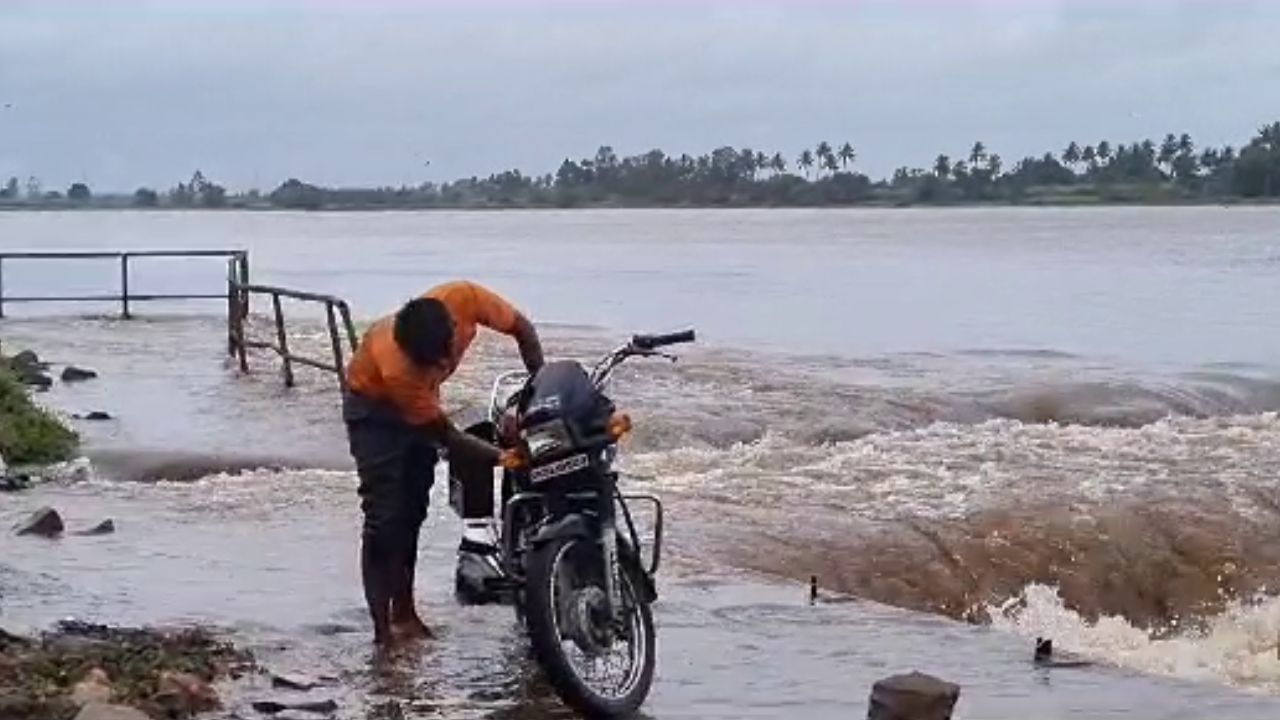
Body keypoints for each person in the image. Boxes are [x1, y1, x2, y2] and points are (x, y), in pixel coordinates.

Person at [343, 280, 543, 647]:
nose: (444, 365)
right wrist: (501, 457)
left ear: (454, 326)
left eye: (445, 355)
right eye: (430, 363)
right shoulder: (401, 371)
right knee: (384, 519)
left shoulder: (463, 298)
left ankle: (405, 613)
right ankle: (382, 633)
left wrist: (540, 395)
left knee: (414, 510)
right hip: (373, 413)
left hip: (421, 408)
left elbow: (523, 330)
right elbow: (447, 436)